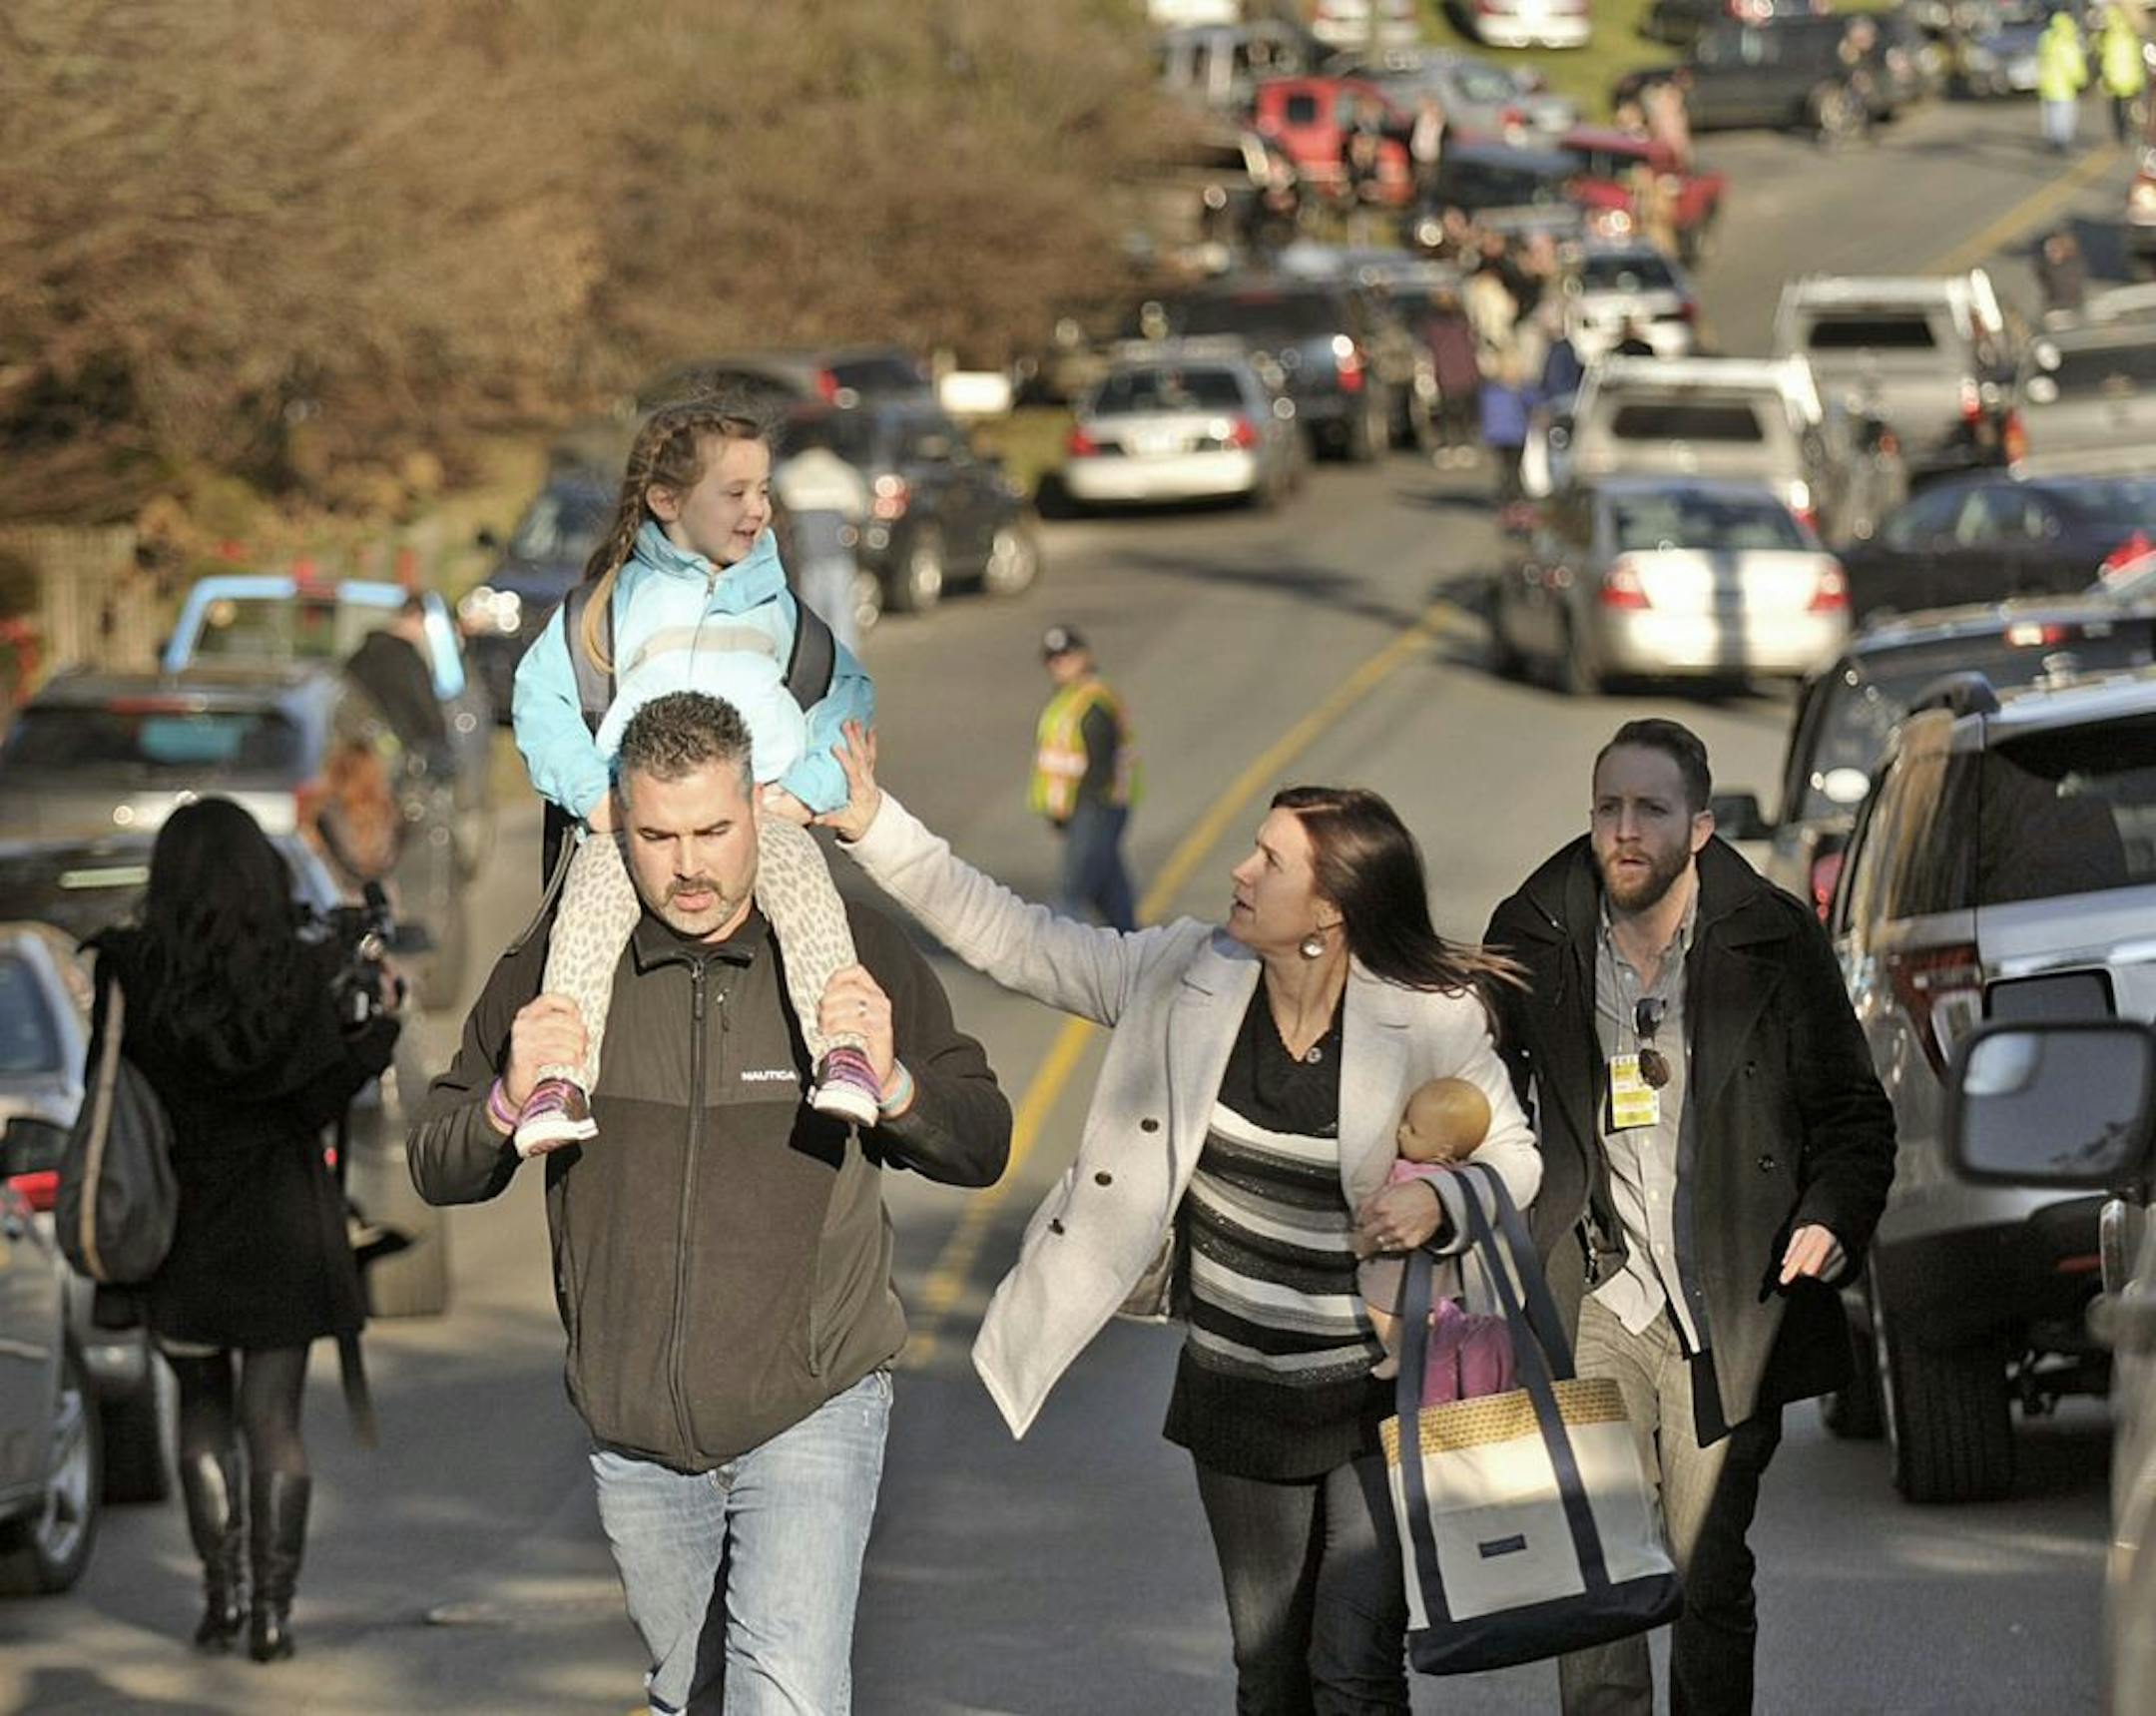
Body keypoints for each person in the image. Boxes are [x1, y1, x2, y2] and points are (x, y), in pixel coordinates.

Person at [824, 726, 1540, 1713]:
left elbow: (1515, 1157)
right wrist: (873, 825)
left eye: (1270, 861)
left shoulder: (1430, 1016)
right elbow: (1018, 939)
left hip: (1377, 1392)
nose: (1240, 870)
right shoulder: (1182, 978)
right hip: (1239, 1393)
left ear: (1327, 910)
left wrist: (1439, 1198)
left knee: (1355, 1668)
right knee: (1268, 1668)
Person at [408, 691, 1011, 1716]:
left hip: (813, 1401)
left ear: (758, 814)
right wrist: (509, 1100)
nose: (688, 866)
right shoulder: (556, 969)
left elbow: (981, 1138)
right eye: (657, 836)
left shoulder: (852, 953)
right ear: (619, 826)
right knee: (693, 1693)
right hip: (637, 1429)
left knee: (785, 1693)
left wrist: (898, 1081)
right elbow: (438, 1161)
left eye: (712, 832)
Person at [1480, 719, 1897, 1716]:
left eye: (1650, 811)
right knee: (1600, 1576)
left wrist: (1830, 1217)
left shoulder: (1774, 938)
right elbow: (1467, 1084)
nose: (1624, 831)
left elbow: (1853, 1117)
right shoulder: (1534, 930)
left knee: (1707, 1571)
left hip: (1726, 1305)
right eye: (1608, 808)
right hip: (1593, 1297)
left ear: (1700, 828)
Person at [510, 398, 879, 1153]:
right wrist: (593, 794)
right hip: (631, 824)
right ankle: (556, 1075)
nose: (757, 510)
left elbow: (849, 698)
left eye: (764, 491)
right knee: (585, 917)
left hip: (760, 817)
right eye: (734, 492)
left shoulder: (783, 610)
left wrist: (805, 792)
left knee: (812, 904)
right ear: (666, 500)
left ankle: (842, 1051)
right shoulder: (608, 609)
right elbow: (539, 699)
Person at [85, 798, 402, 1662]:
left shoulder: (131, 971)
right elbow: (321, 1092)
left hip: (178, 1224)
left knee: (199, 1410)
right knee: (277, 1418)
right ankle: (273, 1610)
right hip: (284, 1229)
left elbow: (109, 1089)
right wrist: (379, 1031)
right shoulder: (299, 973)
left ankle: (219, 1596)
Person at [1031, 624, 1140, 932]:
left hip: (1095, 806)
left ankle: (1060, 958)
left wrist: (1072, 809)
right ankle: (1133, 945)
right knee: (1109, 887)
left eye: (1065, 656)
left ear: (1084, 656)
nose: (1057, 665)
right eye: (1051, 659)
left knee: (1071, 889)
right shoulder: (1069, 698)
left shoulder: (1092, 699)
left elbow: (1099, 762)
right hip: (1090, 808)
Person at [772, 443, 870, 657]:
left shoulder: (789, 473)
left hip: (805, 555)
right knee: (841, 609)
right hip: (837, 552)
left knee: (811, 608)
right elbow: (859, 511)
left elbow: (779, 509)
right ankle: (844, 661)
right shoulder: (844, 474)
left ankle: (814, 658)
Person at [343, 592, 448, 764]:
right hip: (398, 750)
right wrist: (439, 740)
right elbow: (423, 704)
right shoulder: (407, 660)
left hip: (358, 747)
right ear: (417, 616)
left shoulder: (364, 652)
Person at [1424, 284, 1483, 470]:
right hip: (1445, 372)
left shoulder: (1462, 320)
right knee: (1446, 412)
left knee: (1463, 411)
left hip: (1462, 371)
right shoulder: (1432, 323)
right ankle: (1446, 445)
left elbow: (1473, 343)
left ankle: (1463, 444)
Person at [2038, 9, 2089, 151]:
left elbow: (2041, 59)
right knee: (2064, 116)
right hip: (2064, 86)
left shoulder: (2046, 38)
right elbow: (2073, 65)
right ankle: (2061, 142)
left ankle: (2053, 141)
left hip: (2048, 85)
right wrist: (2081, 80)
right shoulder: (2069, 42)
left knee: (2051, 116)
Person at [2100, 2, 2147, 144]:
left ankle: (2121, 133)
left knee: (2117, 107)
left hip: (2115, 77)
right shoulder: (2132, 33)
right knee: (2131, 106)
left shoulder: (2109, 34)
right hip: (2131, 77)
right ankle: (2128, 130)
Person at [2036, 226, 2089, 319]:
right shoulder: (2047, 268)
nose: (2051, 253)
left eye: (2054, 250)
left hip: (2070, 307)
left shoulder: (2073, 266)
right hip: (2058, 308)